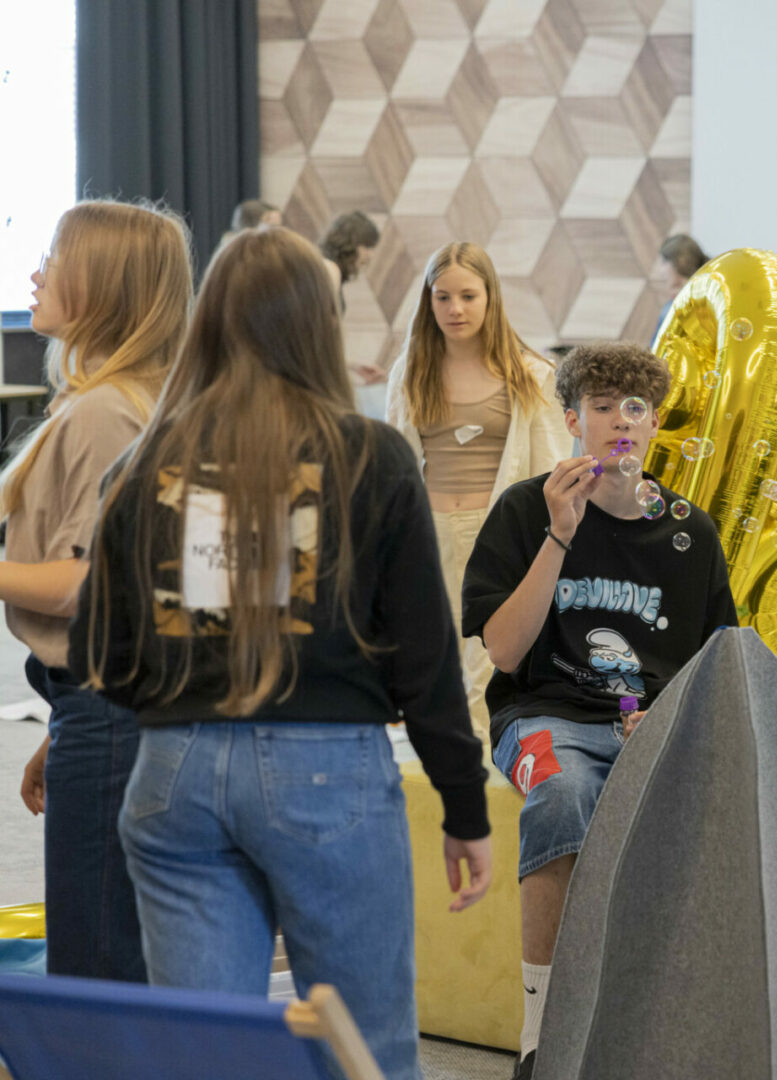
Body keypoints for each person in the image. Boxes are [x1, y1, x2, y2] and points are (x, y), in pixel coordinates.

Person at [68, 227, 493, 1079]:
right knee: (364, 1054)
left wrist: (189, 696)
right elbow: (425, 659)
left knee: (205, 1062)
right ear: (319, 325)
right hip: (328, 771)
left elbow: (97, 655)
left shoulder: (141, 467)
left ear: (207, 322)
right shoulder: (372, 458)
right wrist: (463, 805)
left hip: (174, 774)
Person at [461, 341, 736, 1080]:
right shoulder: (526, 510)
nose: (620, 420)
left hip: (652, 729)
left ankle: (676, 1027)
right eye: (603, 406)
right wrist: (560, 533)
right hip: (543, 716)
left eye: (635, 408)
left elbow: (717, 666)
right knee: (562, 793)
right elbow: (506, 653)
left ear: (655, 425)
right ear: (572, 421)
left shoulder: (691, 532)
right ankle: (541, 1035)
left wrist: (671, 716)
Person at [5, 199, 192, 981]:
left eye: (54, 258)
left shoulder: (107, 411)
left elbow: (97, 584)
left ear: (104, 283)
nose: (35, 274)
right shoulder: (116, 401)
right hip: (103, 700)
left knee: (97, 962)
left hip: (112, 707)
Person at [387, 242, 573, 739]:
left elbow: (550, 471)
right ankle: (442, 767)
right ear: (428, 300)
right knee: (431, 655)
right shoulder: (409, 371)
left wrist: (543, 545)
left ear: (490, 297)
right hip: (427, 534)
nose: (456, 309)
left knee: (489, 661)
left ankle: (494, 762)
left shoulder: (531, 374)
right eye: (443, 297)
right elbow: (395, 466)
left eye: (468, 296)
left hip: (495, 536)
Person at [319, 210, 386, 412]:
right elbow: (316, 337)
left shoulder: (324, 268)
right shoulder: (330, 270)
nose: (370, 255)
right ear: (351, 243)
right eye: (367, 246)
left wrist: (351, 366)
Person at [648, 234, 707, 347]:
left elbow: (655, 352)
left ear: (680, 262)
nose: (660, 271)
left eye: (664, 262)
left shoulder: (673, 310)